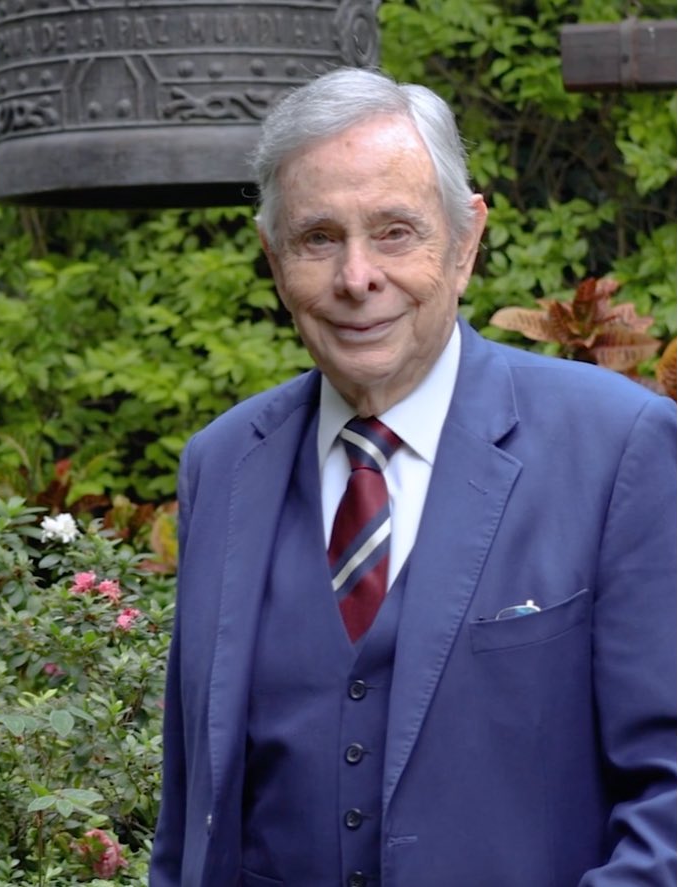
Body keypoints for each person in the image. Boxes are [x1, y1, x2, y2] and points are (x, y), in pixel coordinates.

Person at [149, 67, 676, 887]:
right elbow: (188, 819)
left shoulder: (619, 447)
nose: (356, 277)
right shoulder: (221, 464)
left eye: (395, 231)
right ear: (272, 256)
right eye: (318, 237)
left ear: (464, 241)